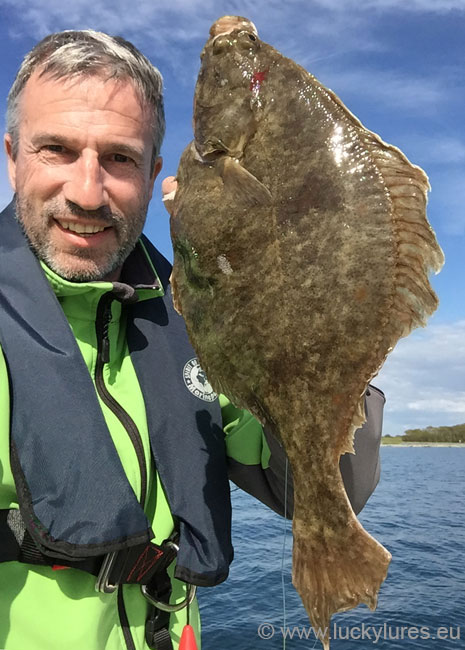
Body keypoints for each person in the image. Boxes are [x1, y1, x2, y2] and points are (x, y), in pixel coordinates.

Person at [0, 29, 385, 650]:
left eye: (120, 158)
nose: (87, 192)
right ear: (12, 153)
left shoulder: (194, 314)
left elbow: (323, 481)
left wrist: (316, 306)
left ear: (157, 174)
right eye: (58, 150)